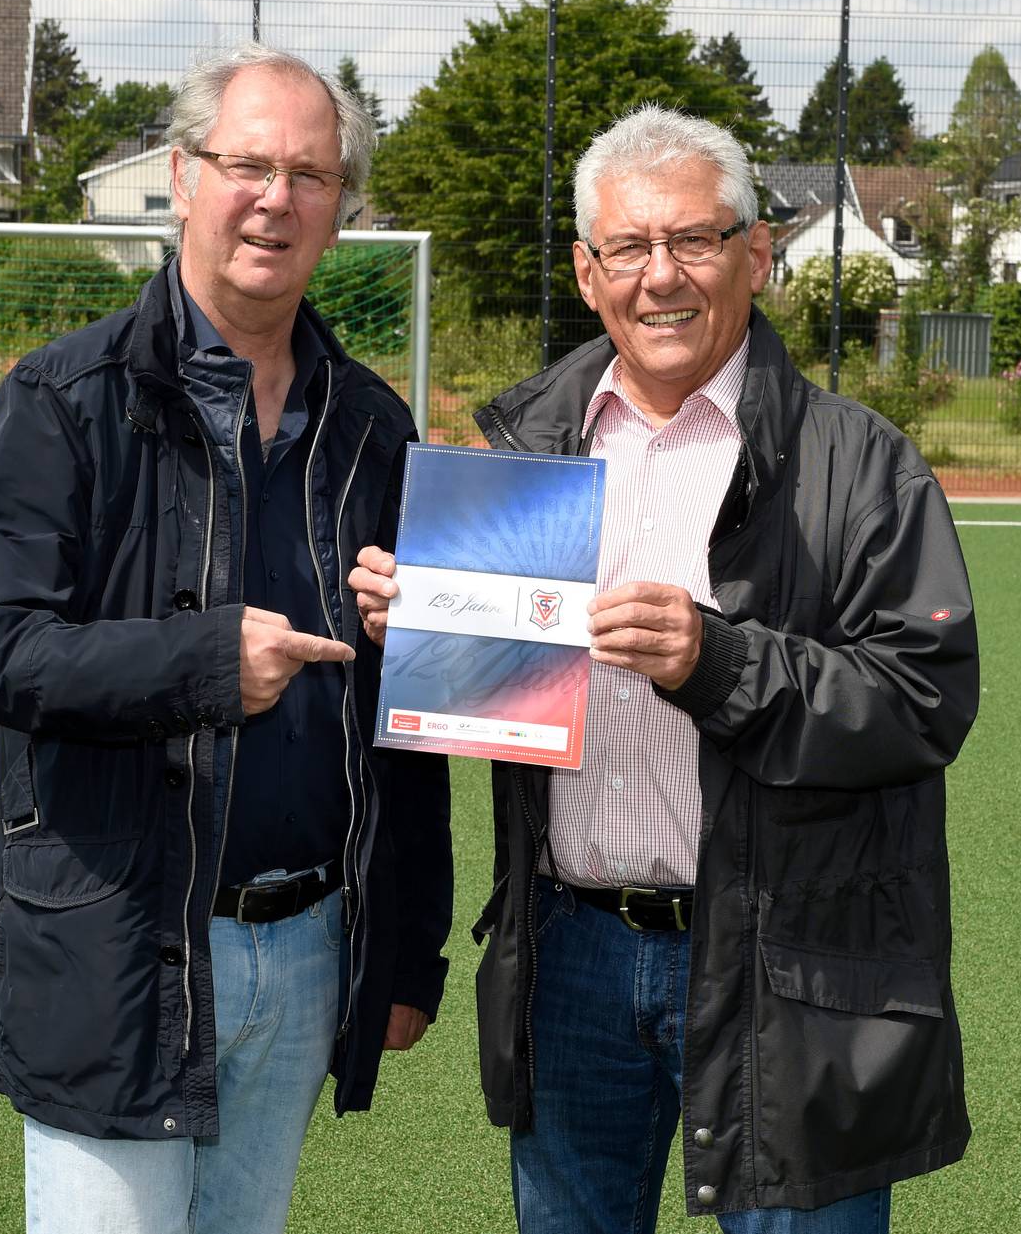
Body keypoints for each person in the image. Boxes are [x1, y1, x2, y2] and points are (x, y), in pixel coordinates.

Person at [350, 105, 980, 1232]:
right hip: (571, 948)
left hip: (788, 965)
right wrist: (427, 636)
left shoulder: (861, 462)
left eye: (693, 239)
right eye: (630, 248)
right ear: (587, 274)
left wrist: (717, 657)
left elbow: (921, 698)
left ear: (756, 254)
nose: (662, 276)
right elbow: (494, 706)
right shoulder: (520, 455)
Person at [0, 41, 453, 1234]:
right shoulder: (64, 399)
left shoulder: (373, 424)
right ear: (182, 176)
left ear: (342, 207)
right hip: (119, 940)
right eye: (248, 164)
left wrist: (408, 944)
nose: (276, 198)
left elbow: (409, 700)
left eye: (310, 174)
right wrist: (203, 664)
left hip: (311, 940)